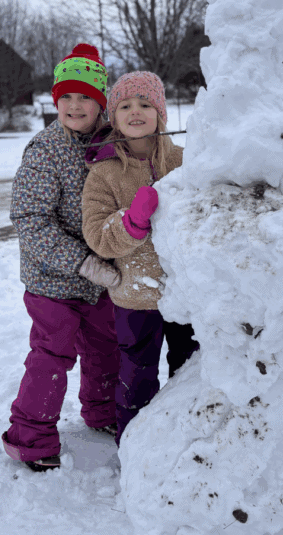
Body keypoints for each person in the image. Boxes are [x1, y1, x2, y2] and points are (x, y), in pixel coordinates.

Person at [2, 44, 122, 473]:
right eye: (66, 97)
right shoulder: (45, 150)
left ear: (100, 102)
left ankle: (103, 413)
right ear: (56, 101)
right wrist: (80, 262)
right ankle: (30, 438)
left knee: (107, 350)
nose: (75, 105)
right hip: (53, 279)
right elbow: (30, 219)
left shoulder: (115, 143)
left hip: (102, 278)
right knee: (51, 356)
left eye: (85, 96)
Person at [82, 71, 199, 446]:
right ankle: (135, 448)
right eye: (125, 106)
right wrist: (130, 223)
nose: (136, 112)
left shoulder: (187, 161)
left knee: (191, 372)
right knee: (137, 377)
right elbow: (97, 236)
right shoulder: (103, 173)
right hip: (135, 298)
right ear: (113, 118)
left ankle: (190, 442)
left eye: (145, 104)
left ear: (161, 114)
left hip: (187, 294)